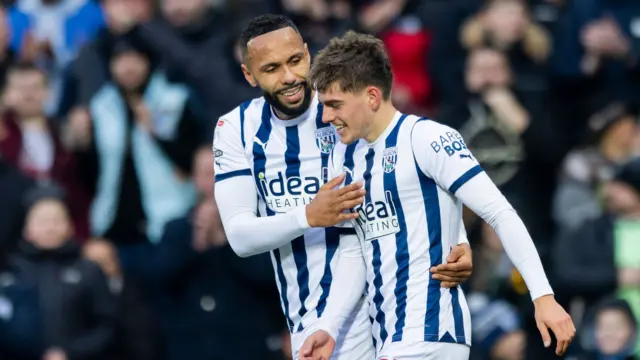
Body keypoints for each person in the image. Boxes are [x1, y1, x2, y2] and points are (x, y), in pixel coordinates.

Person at [299, 31, 576, 360]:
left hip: (432, 330)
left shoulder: (428, 138)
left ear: (372, 96)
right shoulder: (345, 160)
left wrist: (542, 295)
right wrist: (329, 325)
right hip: (388, 336)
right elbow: (355, 253)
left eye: (334, 104)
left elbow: (499, 213)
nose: (327, 117)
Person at [213, 14, 474, 360]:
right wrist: (308, 216)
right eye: (272, 68)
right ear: (249, 75)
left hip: (395, 303)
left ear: (308, 54)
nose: (290, 77)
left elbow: (413, 166)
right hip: (314, 318)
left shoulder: (345, 105)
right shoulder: (236, 129)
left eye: (295, 61)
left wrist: (458, 238)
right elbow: (240, 236)